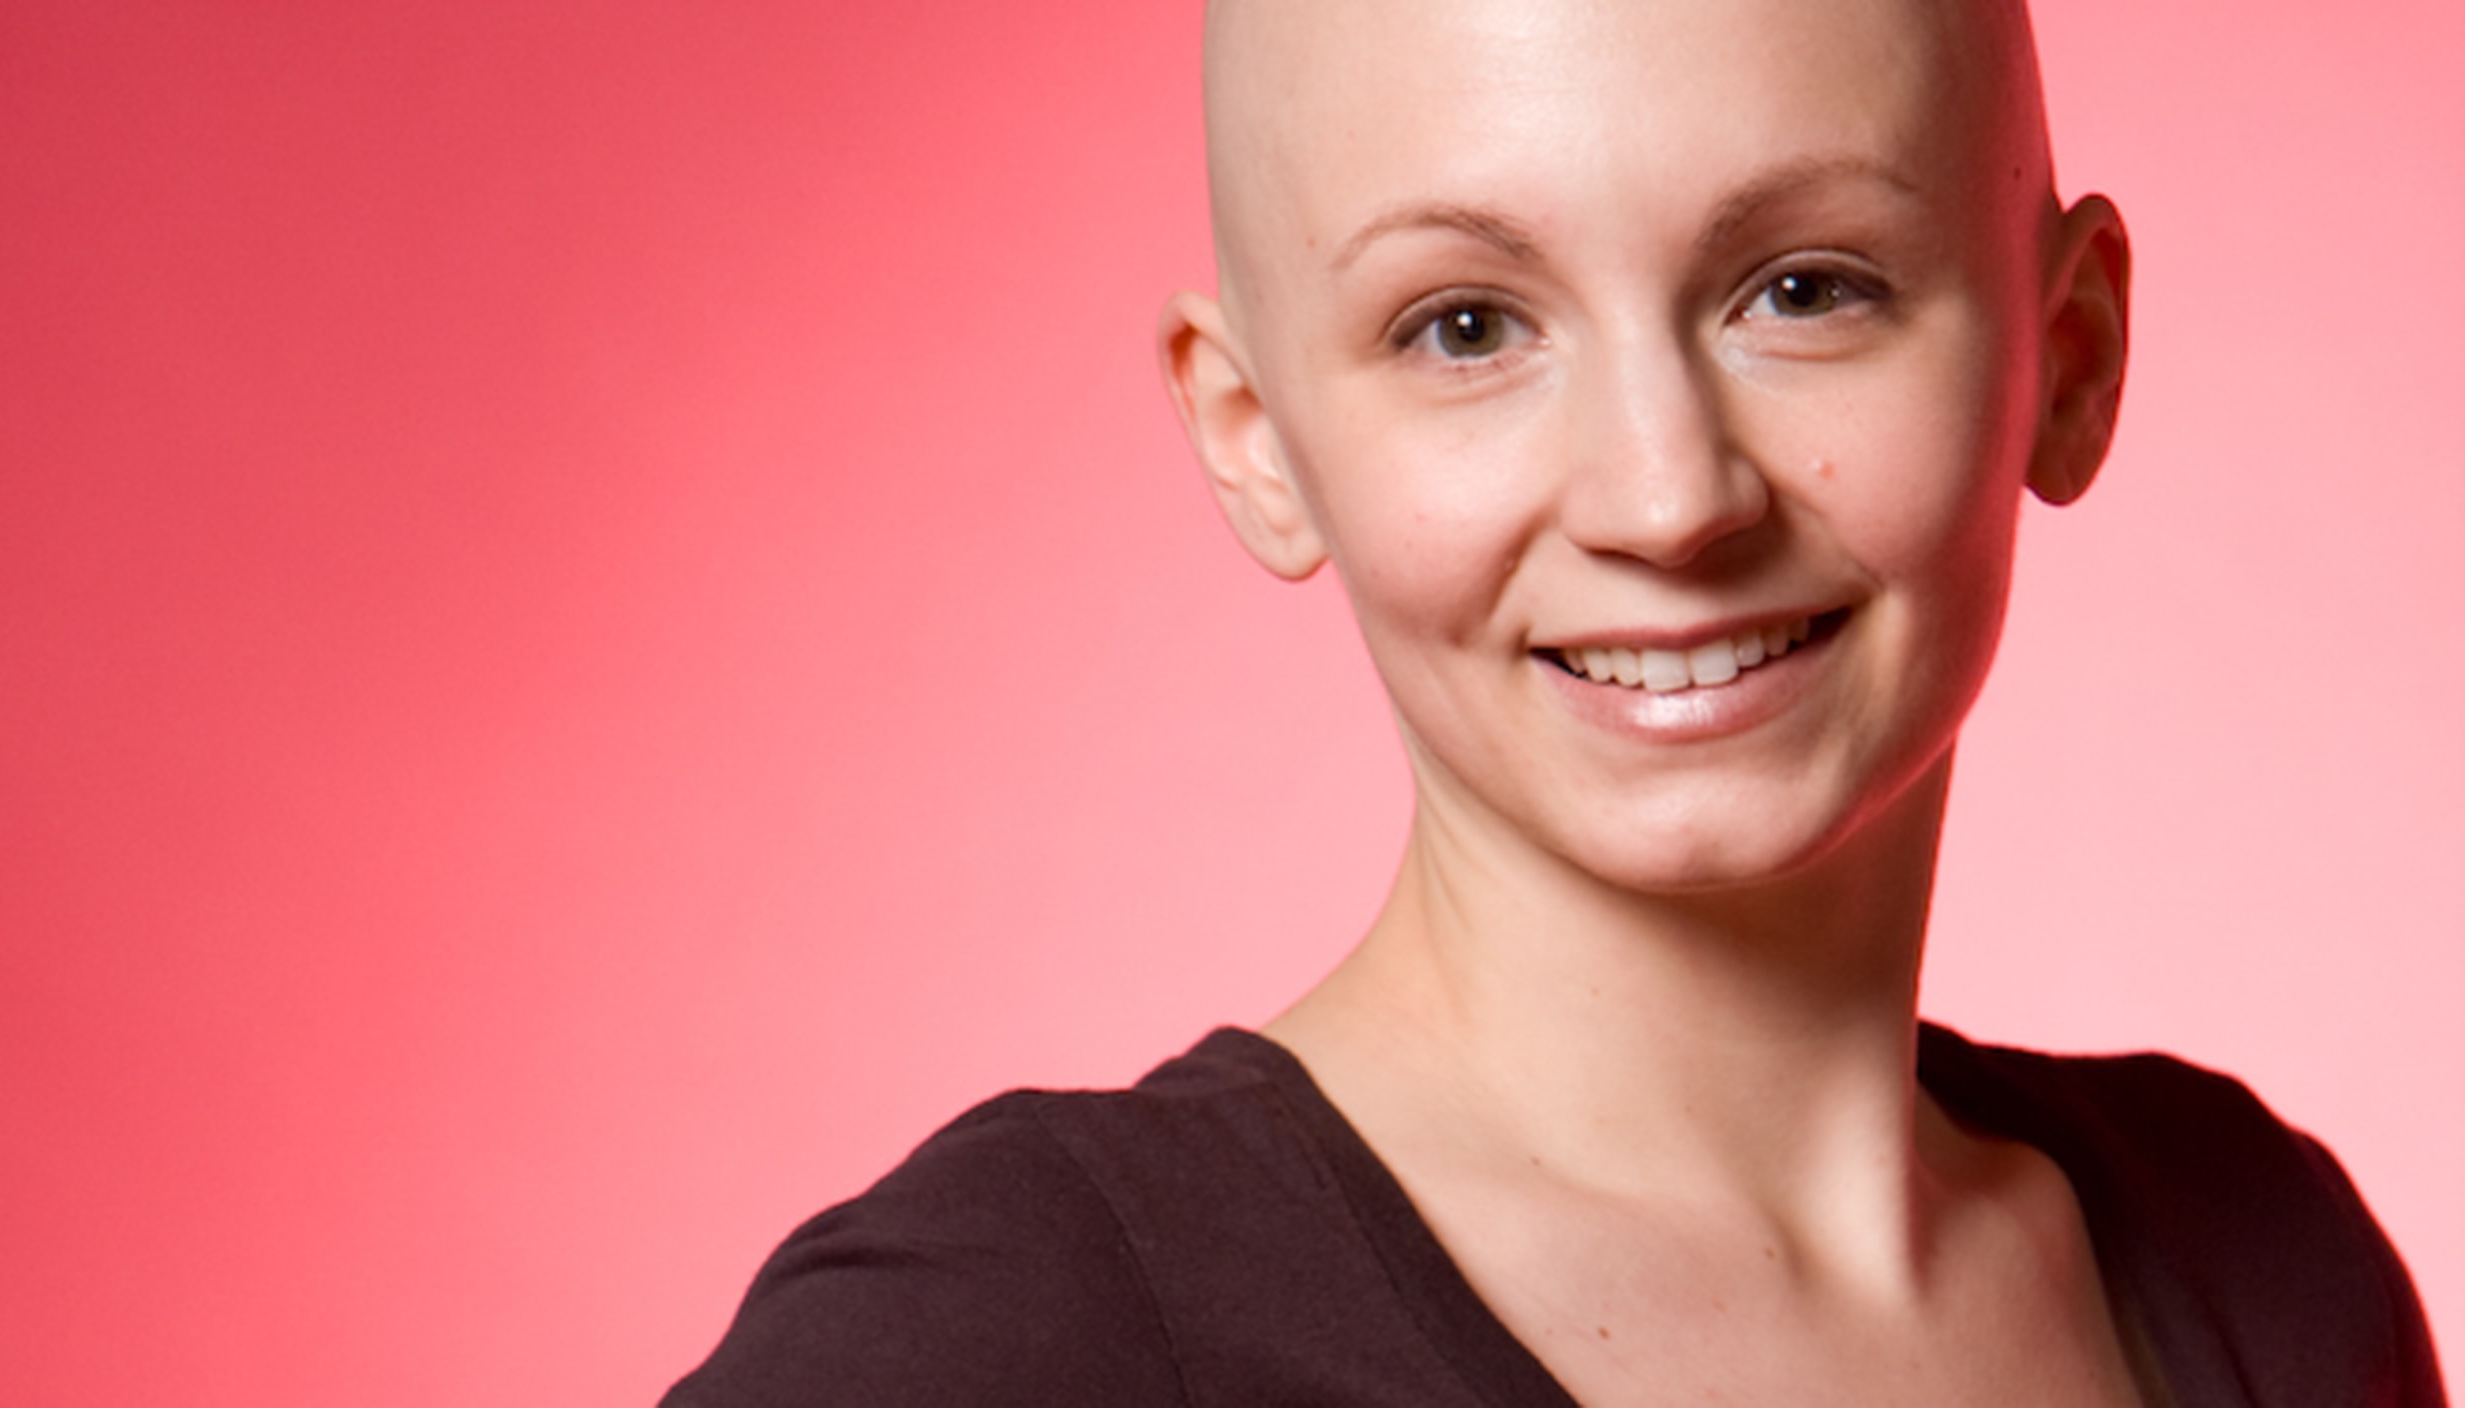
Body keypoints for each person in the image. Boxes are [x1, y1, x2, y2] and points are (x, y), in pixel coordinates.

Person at [663, 0, 2446, 1402]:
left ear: (2070, 358)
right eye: (1465, 327)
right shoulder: (1011, 1346)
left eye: (1805, 290)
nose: (1667, 499)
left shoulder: (2271, 1275)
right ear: (1257, 439)